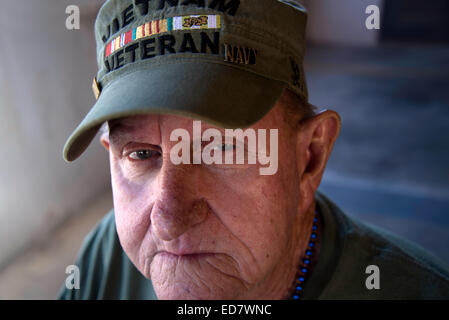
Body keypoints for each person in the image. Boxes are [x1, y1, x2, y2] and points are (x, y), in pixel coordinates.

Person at [59, 0, 449, 299]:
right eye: (142, 154)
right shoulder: (107, 255)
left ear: (309, 159)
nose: (168, 218)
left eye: (223, 150)